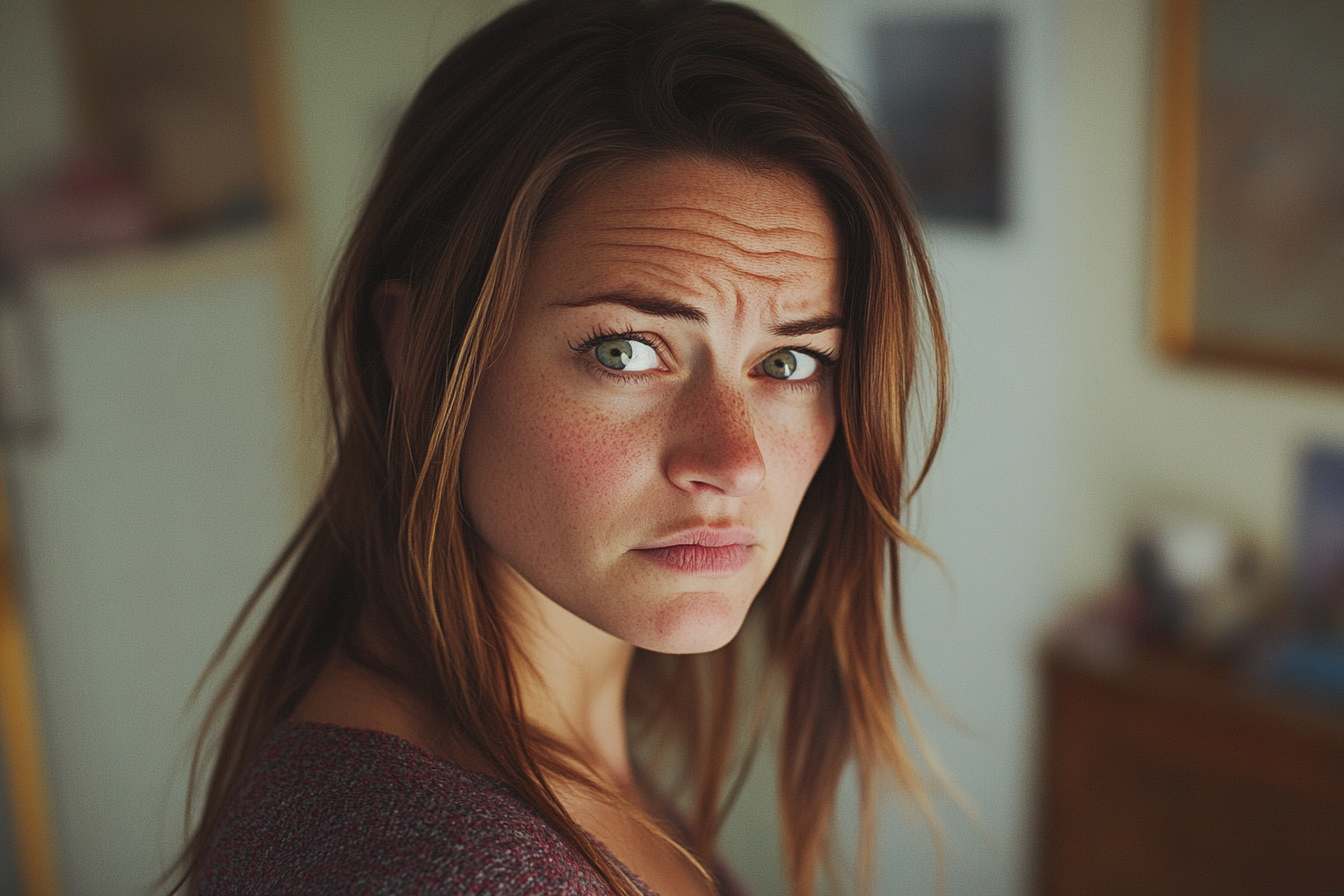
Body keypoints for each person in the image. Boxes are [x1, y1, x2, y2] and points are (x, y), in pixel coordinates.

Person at [177, 0, 948, 893]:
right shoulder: (445, 866)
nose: (735, 461)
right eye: (624, 351)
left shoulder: (532, 758)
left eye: (789, 360)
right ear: (418, 350)